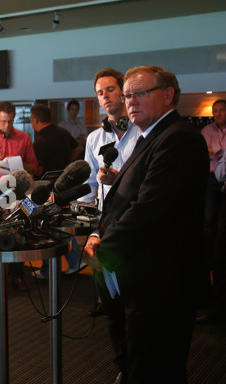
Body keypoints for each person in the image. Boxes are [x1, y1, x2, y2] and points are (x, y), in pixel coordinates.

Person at [83, 65, 209, 383]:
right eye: (128, 95)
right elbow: (120, 200)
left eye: (140, 93)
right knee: (138, 363)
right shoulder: (149, 137)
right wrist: (98, 231)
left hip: (163, 281)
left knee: (157, 368)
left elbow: (149, 209)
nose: (131, 102)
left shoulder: (178, 139)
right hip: (140, 274)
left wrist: (104, 249)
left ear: (168, 95)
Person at [81, 68, 142, 318]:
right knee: (111, 303)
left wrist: (119, 180)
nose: (105, 96)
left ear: (123, 92)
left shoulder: (143, 132)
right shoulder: (95, 138)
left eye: (110, 89)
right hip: (105, 224)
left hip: (137, 222)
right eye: (99, 93)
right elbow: (88, 186)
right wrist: (86, 224)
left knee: (137, 299)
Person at [0, 101, 38, 291]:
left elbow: (34, 167)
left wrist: (20, 164)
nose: (7, 126)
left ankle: (17, 276)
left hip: (18, 193)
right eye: (3, 122)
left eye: (10, 122)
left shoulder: (24, 138)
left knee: (19, 232)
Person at [29, 104, 84, 280]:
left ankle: (48, 270)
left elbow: (39, 170)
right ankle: (74, 260)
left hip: (48, 189)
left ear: (35, 120)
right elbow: (78, 148)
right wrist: (67, 166)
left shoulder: (40, 140)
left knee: (47, 227)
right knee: (60, 225)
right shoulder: (62, 132)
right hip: (66, 186)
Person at [197, 99, 226, 324]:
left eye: (221, 110)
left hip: (222, 178)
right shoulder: (206, 130)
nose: (217, 114)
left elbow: (214, 152)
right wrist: (218, 151)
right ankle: (209, 260)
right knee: (208, 221)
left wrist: (215, 152)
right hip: (210, 178)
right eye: (214, 111)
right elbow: (205, 150)